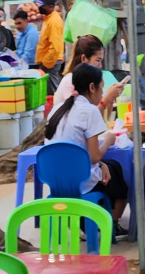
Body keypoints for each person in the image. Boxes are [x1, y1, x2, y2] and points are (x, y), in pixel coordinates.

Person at [44, 63, 128, 227]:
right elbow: (94, 157)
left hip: (55, 179)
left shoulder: (57, 109)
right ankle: (109, 224)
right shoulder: (90, 111)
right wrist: (109, 140)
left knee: (108, 167)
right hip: (80, 179)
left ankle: (87, 222)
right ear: (92, 87)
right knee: (119, 173)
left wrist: (101, 163)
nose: (102, 92)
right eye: (101, 88)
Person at [54, 34, 124, 111]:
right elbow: (86, 117)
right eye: (98, 60)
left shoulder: (87, 82)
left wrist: (110, 98)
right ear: (84, 58)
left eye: (101, 61)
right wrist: (108, 97)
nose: (100, 66)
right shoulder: (70, 81)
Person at [36, 0, 64, 91]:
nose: (39, 6)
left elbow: (55, 47)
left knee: (52, 92)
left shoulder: (53, 22)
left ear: (50, 6)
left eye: (42, 5)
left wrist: (45, 64)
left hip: (51, 62)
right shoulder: (47, 19)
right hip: (47, 61)